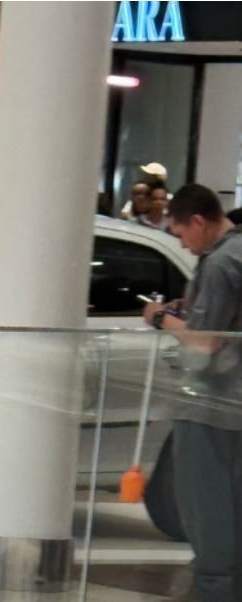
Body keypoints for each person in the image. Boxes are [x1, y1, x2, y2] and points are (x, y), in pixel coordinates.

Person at [142, 184, 242, 602]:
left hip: (211, 406)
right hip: (232, 408)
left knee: (209, 518)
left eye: (181, 233)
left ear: (199, 221)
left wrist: (159, 318)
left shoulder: (220, 263)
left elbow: (206, 342)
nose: (182, 244)